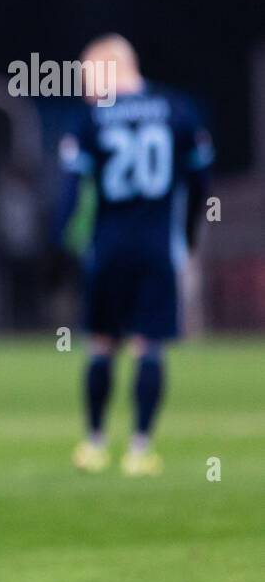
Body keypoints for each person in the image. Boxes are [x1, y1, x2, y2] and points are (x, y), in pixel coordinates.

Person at [55, 34, 214, 476]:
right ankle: (141, 448)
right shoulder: (178, 109)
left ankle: (95, 442)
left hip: (108, 248)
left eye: (88, 75)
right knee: (150, 345)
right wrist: (188, 233)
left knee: (101, 344)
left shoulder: (92, 118)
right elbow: (201, 180)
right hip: (157, 246)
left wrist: (58, 243)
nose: (85, 86)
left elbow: (70, 190)